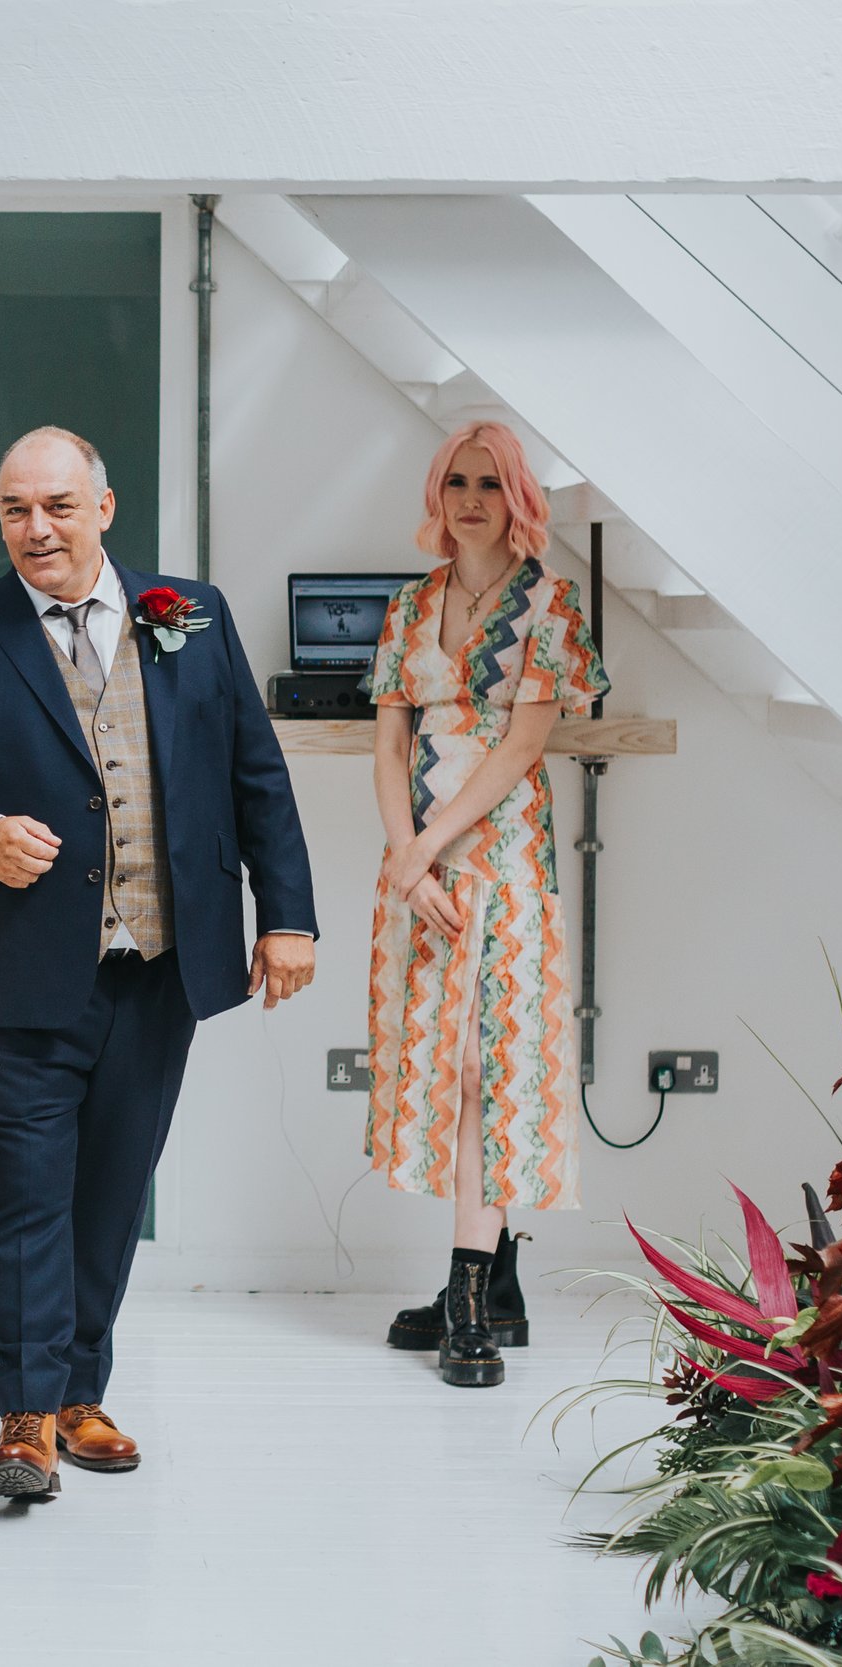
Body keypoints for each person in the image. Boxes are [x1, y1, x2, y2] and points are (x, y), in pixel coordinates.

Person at [0, 426, 318, 1501]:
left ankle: (75, 1389)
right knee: (25, 1190)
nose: (34, 527)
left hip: (161, 964)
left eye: (56, 504)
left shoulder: (189, 617)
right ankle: (22, 1412)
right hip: (16, 971)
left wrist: (285, 915)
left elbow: (256, 772)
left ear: (103, 508)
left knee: (110, 1189)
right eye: (14, 508)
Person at [364, 420, 608, 1390]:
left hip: (503, 861)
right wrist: (407, 861)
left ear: (518, 497)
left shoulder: (549, 602)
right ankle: (489, 1282)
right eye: (456, 480)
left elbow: (518, 749)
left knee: (483, 1072)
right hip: (420, 874)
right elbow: (388, 744)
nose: (471, 498)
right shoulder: (408, 605)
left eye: (489, 482)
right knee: (439, 1067)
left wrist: (424, 845)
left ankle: (469, 1291)